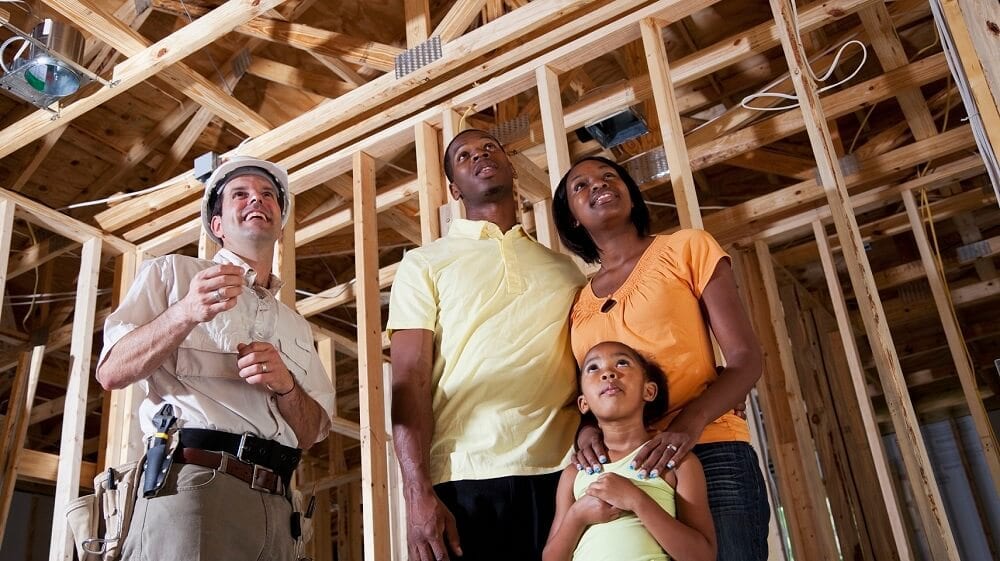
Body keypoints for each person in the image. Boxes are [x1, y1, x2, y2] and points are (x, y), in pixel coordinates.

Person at [96, 155, 336, 560]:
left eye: (267, 195)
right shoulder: (172, 274)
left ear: (280, 224)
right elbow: (112, 372)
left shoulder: (296, 326)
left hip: (280, 506)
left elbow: (310, 434)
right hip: (195, 487)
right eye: (240, 194)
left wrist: (287, 387)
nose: (256, 200)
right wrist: (185, 312)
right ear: (218, 225)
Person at [552, 156, 769, 561]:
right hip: (626, 468)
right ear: (572, 219)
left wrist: (689, 424)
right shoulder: (577, 304)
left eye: (609, 176)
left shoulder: (687, 247)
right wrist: (585, 432)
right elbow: (588, 388)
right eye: (581, 186)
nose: (598, 184)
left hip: (710, 446)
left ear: (632, 196)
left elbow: (746, 359)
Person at [388, 129, 586, 561]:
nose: (480, 155)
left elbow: (587, 367)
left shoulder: (566, 271)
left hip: (563, 474)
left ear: (511, 168)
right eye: (464, 155)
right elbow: (408, 378)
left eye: (489, 148)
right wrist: (416, 492)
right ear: (455, 190)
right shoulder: (424, 264)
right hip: (463, 476)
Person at [543, 341, 716, 561]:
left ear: (649, 390)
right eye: (593, 368)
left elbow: (702, 556)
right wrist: (577, 516)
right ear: (584, 403)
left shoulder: (678, 463)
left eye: (622, 363)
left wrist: (636, 500)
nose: (608, 373)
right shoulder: (574, 473)